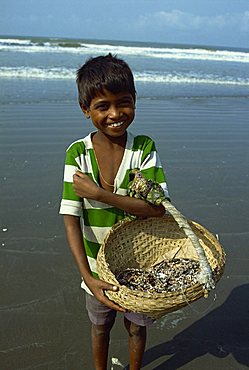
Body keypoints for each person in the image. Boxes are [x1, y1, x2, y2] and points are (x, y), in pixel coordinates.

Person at [59, 54, 170, 370]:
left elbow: (156, 209)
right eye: (102, 106)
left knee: (136, 326)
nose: (115, 113)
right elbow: (70, 218)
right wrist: (88, 277)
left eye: (124, 103)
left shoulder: (143, 148)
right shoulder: (78, 154)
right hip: (96, 268)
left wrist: (99, 194)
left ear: (134, 101)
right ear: (86, 110)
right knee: (100, 326)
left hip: (140, 266)